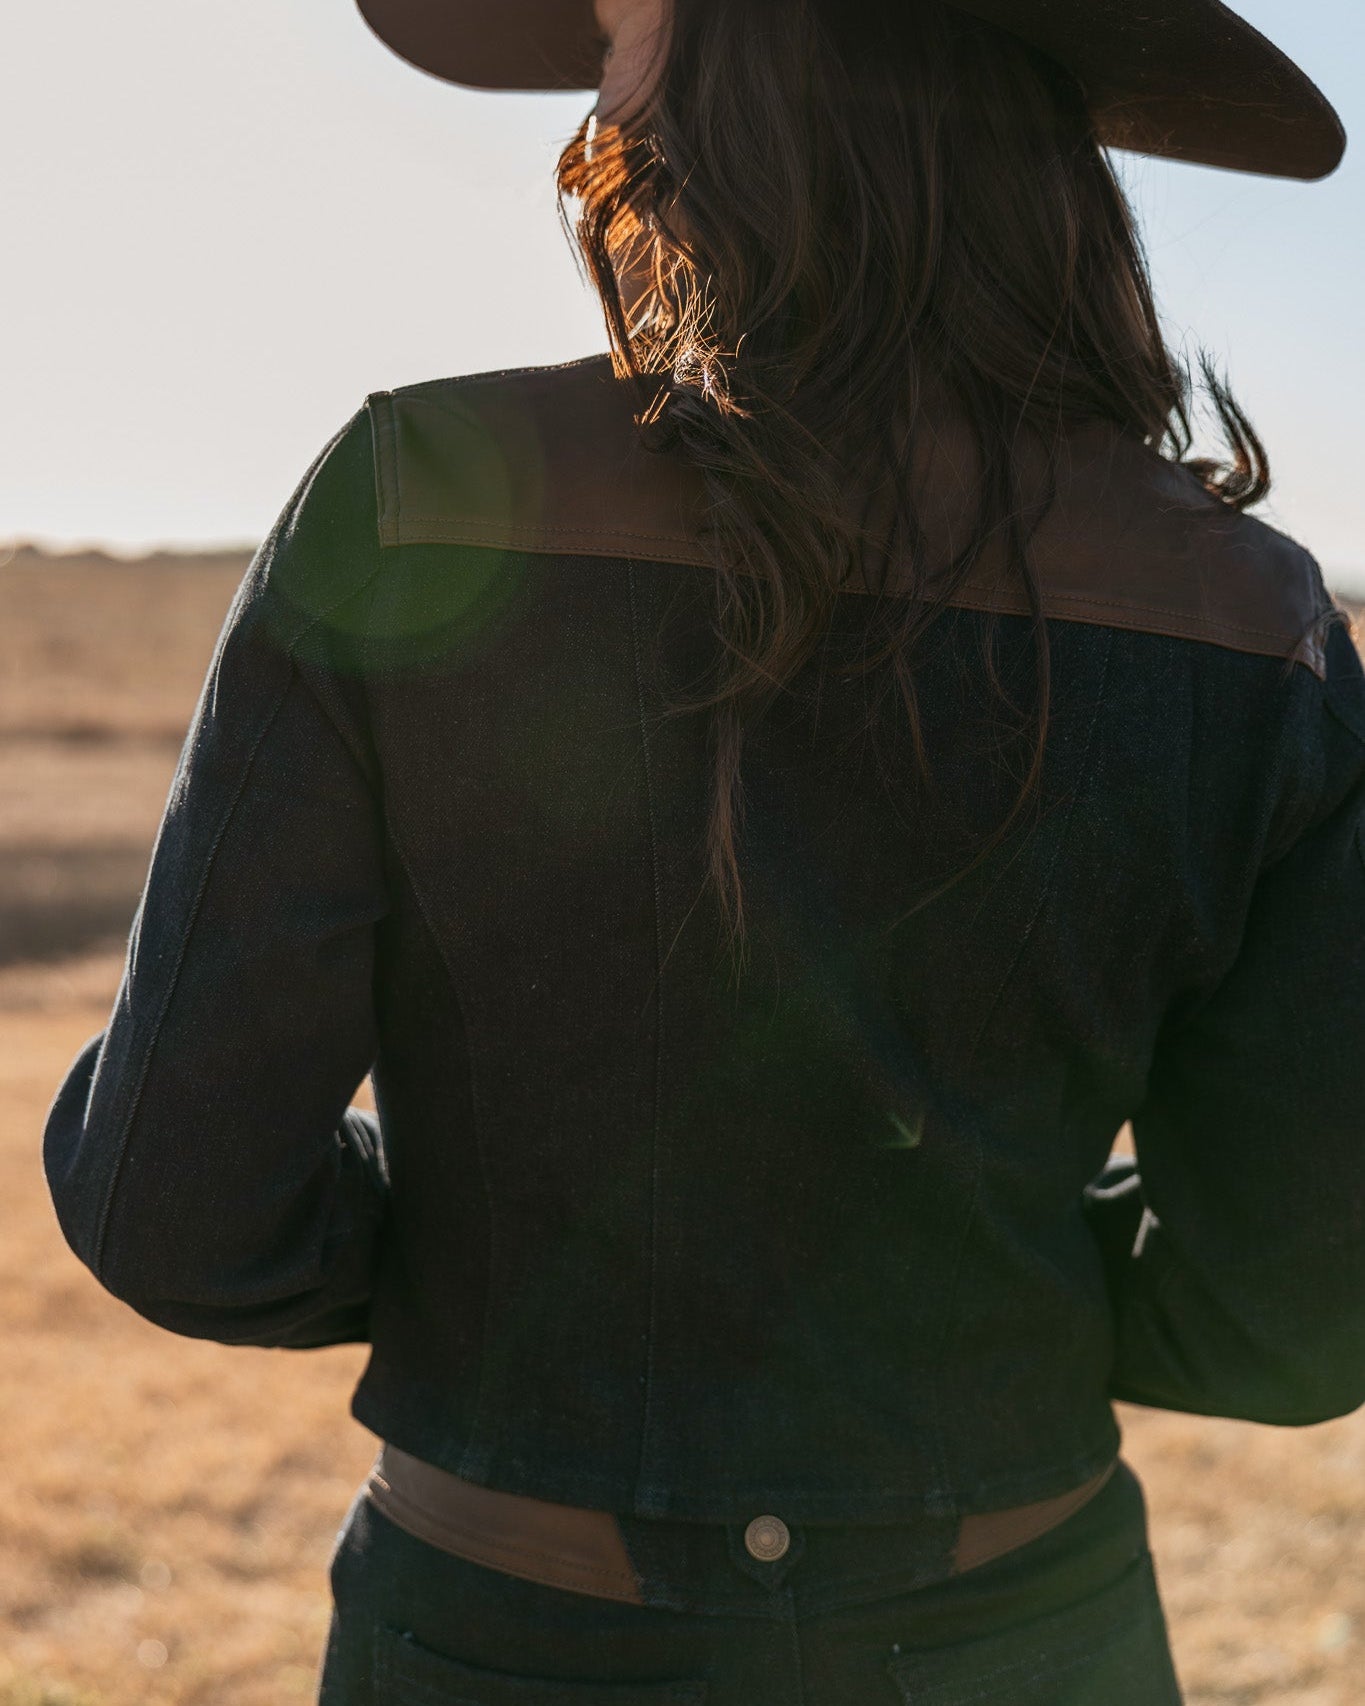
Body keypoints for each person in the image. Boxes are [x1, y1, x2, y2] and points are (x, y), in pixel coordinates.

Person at [41, 0, 1362, 1701]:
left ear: (737, 90)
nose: (601, 93)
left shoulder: (417, 494)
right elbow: (1294, 1307)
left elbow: (175, 1201)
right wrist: (957, 1273)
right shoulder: (1252, 620)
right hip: (1028, 1636)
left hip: (504, 1632)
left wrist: (509, 1265)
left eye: (625, 37)